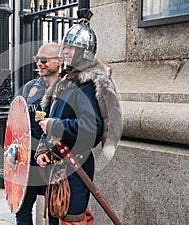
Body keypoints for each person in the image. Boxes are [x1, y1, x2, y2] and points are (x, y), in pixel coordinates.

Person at [35, 9, 123, 225]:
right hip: (58, 165)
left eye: (71, 47)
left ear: (84, 51)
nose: (65, 51)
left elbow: (90, 129)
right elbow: (51, 121)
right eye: (65, 46)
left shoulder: (87, 87)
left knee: (72, 220)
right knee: (58, 217)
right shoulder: (67, 83)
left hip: (75, 166)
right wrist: (45, 151)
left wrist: (55, 125)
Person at [15, 42, 62, 225]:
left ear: (59, 61)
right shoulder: (30, 88)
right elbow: (19, 118)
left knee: (54, 211)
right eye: (37, 60)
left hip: (53, 159)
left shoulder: (66, 88)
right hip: (28, 160)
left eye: (44, 60)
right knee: (22, 208)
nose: (39, 64)